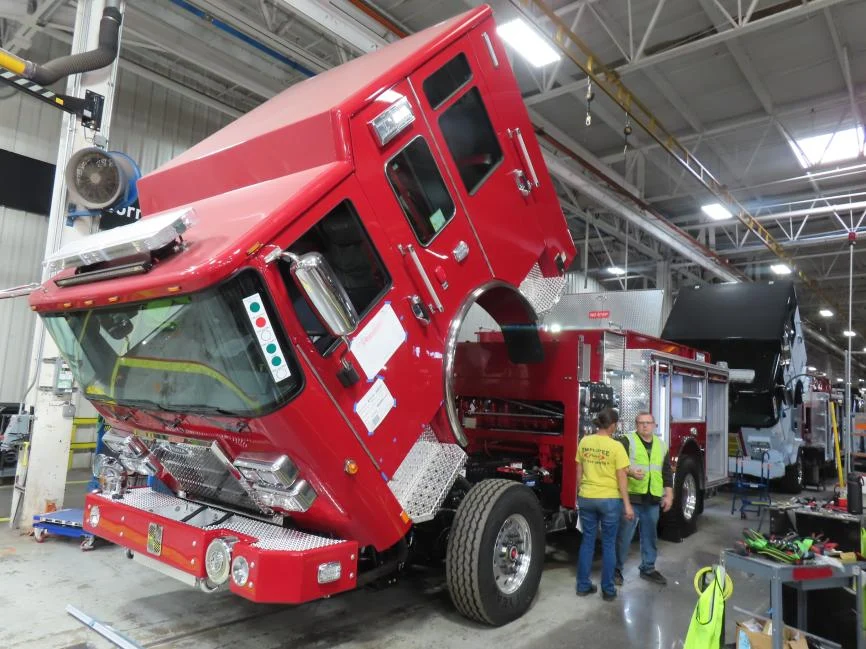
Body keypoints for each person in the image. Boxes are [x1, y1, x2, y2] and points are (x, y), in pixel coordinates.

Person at [575, 407, 634, 601]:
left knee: (588, 541)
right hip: (609, 500)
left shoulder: (584, 441)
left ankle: (583, 585)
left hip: (587, 497)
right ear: (613, 425)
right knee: (608, 544)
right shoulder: (616, 447)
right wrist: (627, 505)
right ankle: (608, 590)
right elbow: (622, 478)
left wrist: (579, 494)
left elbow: (579, 471)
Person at [614, 412, 674, 586]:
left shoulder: (661, 446)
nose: (645, 426)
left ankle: (648, 568)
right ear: (636, 424)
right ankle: (616, 570)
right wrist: (631, 472)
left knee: (650, 536)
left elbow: (666, 472)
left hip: (652, 499)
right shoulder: (627, 441)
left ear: (654, 425)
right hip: (632, 498)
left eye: (648, 423)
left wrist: (668, 494)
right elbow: (616, 466)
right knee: (624, 536)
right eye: (641, 423)